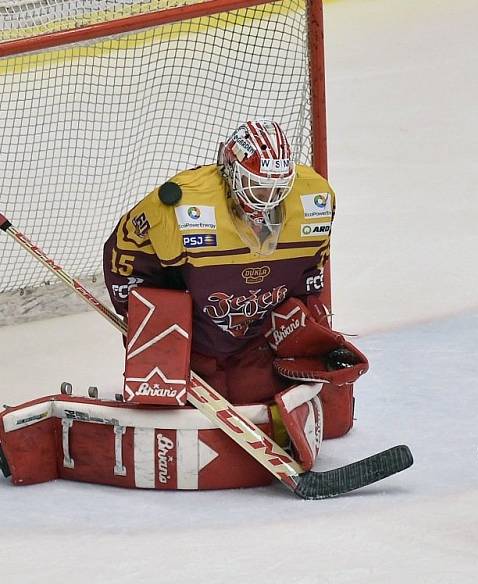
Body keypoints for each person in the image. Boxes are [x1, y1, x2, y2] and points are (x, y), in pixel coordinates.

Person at [103, 119, 367, 446]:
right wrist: (145, 315)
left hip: (255, 336)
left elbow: (313, 268)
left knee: (272, 408)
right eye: (258, 186)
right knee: (175, 423)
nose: (268, 199)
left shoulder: (315, 200)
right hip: (193, 339)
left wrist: (305, 320)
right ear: (230, 173)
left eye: (278, 188)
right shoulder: (181, 206)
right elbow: (126, 249)